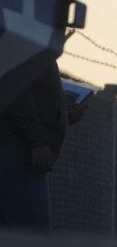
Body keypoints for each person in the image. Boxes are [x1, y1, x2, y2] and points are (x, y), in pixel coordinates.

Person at [0, 58, 68, 231]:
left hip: (19, 146)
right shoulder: (26, 41)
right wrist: (37, 140)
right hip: (18, 150)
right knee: (33, 236)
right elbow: (15, 91)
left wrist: (62, 114)